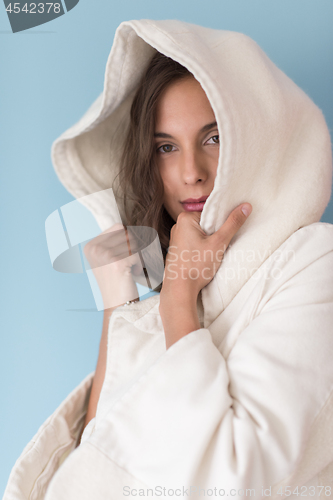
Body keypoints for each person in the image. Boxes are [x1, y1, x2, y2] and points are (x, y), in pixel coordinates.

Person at [3, 19, 333, 500]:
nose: (190, 173)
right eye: (165, 147)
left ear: (258, 137)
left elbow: (232, 480)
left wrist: (177, 298)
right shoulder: (180, 290)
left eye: (214, 137)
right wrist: (120, 304)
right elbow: (96, 463)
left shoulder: (315, 264)